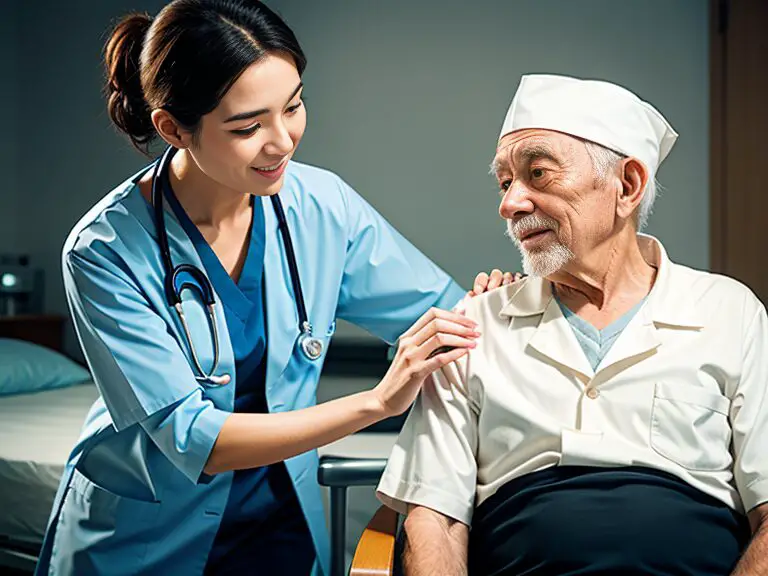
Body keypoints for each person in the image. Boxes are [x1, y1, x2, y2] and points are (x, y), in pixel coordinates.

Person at [35, 1, 516, 574]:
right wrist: (377, 402)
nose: (283, 141)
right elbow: (196, 439)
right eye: (247, 126)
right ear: (173, 128)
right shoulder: (105, 250)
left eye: (293, 107)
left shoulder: (322, 207)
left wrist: (496, 307)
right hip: (146, 543)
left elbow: (442, 317)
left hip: (280, 529)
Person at [377, 74, 768, 576]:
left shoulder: (728, 312)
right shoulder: (476, 324)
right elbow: (435, 519)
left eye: (537, 174)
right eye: (504, 182)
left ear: (626, 186)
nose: (510, 203)